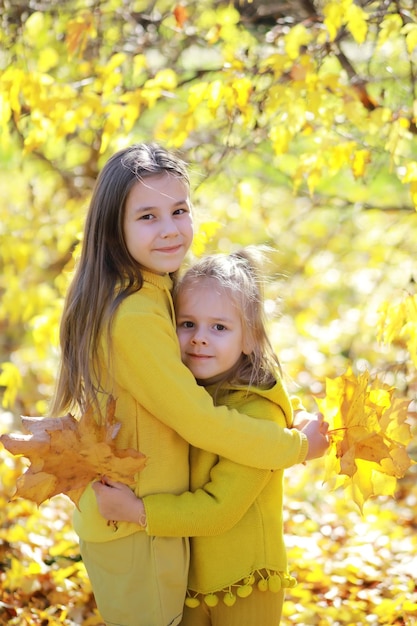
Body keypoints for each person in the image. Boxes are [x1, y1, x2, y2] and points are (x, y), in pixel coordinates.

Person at [50, 143, 327, 626]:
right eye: (148, 216)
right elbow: (198, 418)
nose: (170, 228)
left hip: (143, 513)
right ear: (114, 227)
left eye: (179, 210)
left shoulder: (151, 290)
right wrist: (294, 447)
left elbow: (209, 388)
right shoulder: (135, 312)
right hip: (134, 518)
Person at [93, 249, 329, 626]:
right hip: (190, 580)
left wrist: (137, 512)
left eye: (219, 328)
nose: (200, 339)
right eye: (187, 324)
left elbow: (219, 509)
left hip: (246, 582)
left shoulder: (257, 416)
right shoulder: (190, 396)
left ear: (250, 338)